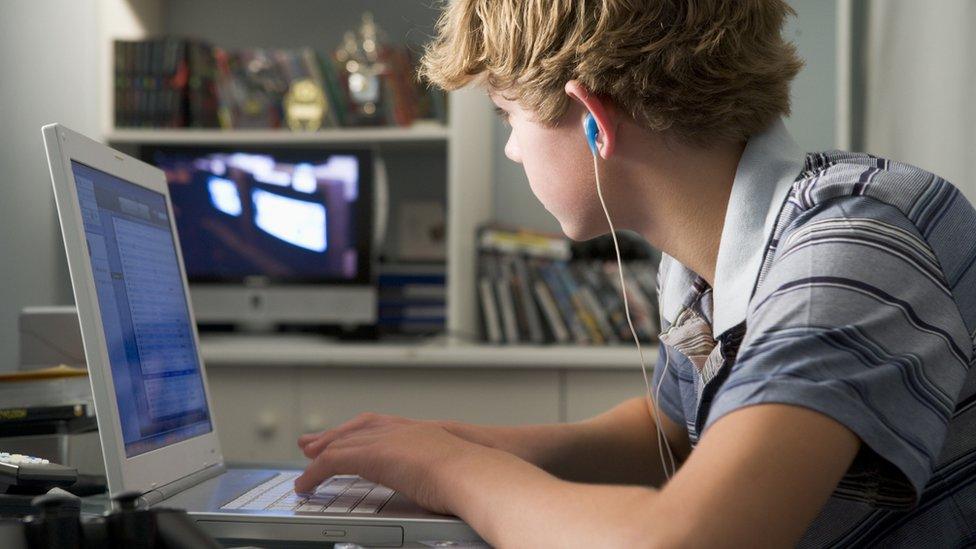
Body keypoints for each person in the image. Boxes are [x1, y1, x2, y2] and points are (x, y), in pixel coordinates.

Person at [295, 1, 976, 546]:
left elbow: (682, 538)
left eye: (507, 115)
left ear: (595, 122)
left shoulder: (850, 256)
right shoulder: (700, 261)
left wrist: (449, 469)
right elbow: (671, 433)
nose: (509, 147)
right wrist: (473, 442)